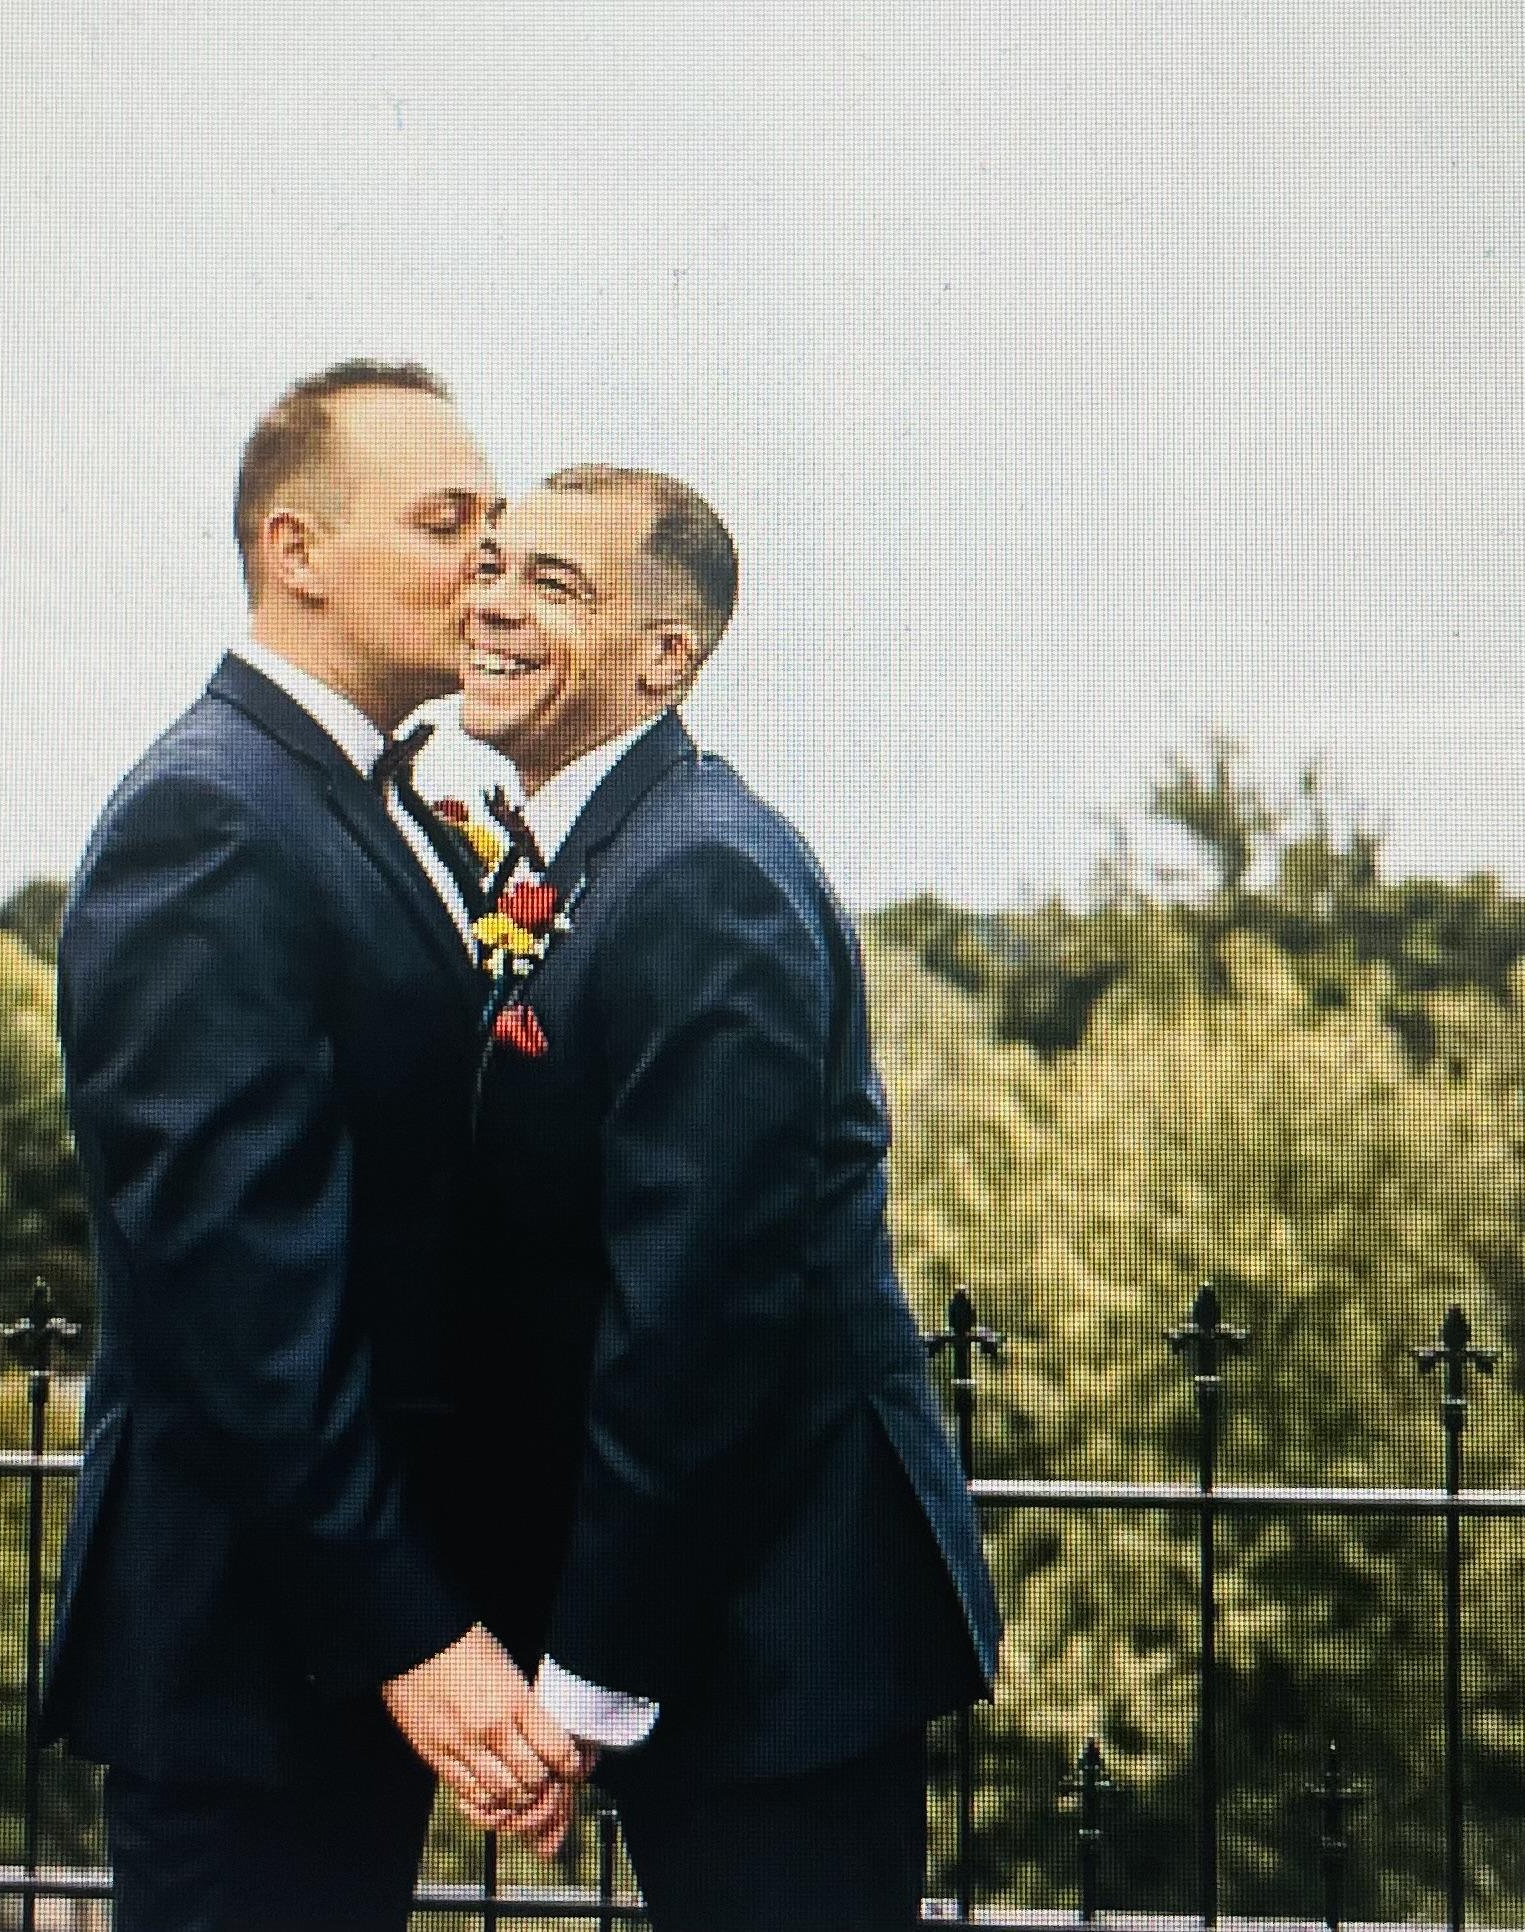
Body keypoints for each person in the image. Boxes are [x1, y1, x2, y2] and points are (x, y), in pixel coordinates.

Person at [40, 362, 585, 1932]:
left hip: (315, 1641)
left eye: (498, 527)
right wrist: (408, 1633)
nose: (490, 568)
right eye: (447, 523)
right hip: (255, 1647)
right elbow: (233, 1290)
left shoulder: (356, 799)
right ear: (296, 550)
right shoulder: (210, 816)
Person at [450, 465, 1004, 1929]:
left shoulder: (703, 878)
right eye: (494, 565)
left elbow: (697, 1316)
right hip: (717, 1607)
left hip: (779, 1625)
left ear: (664, 657)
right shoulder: (598, 853)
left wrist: (586, 1683)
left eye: (553, 585)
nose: (493, 603)